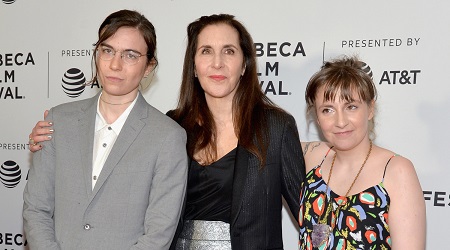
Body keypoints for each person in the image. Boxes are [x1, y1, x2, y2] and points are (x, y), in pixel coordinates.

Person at [28, 14, 306, 249]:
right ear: (194, 67)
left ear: (245, 64)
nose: (217, 63)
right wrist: (55, 138)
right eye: (206, 51)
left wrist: (342, 158)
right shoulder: (175, 126)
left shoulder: (275, 127)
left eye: (229, 51)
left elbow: (308, 212)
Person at [23, 9, 188, 250]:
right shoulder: (58, 120)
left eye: (130, 55)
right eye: (107, 50)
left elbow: (158, 233)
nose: (115, 64)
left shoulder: (167, 136)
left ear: (149, 66)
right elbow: (36, 209)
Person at [298, 56, 426, 249]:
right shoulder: (313, 157)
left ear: (370, 109)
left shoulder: (396, 171)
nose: (340, 122)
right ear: (316, 115)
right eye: (327, 110)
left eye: (351, 107)